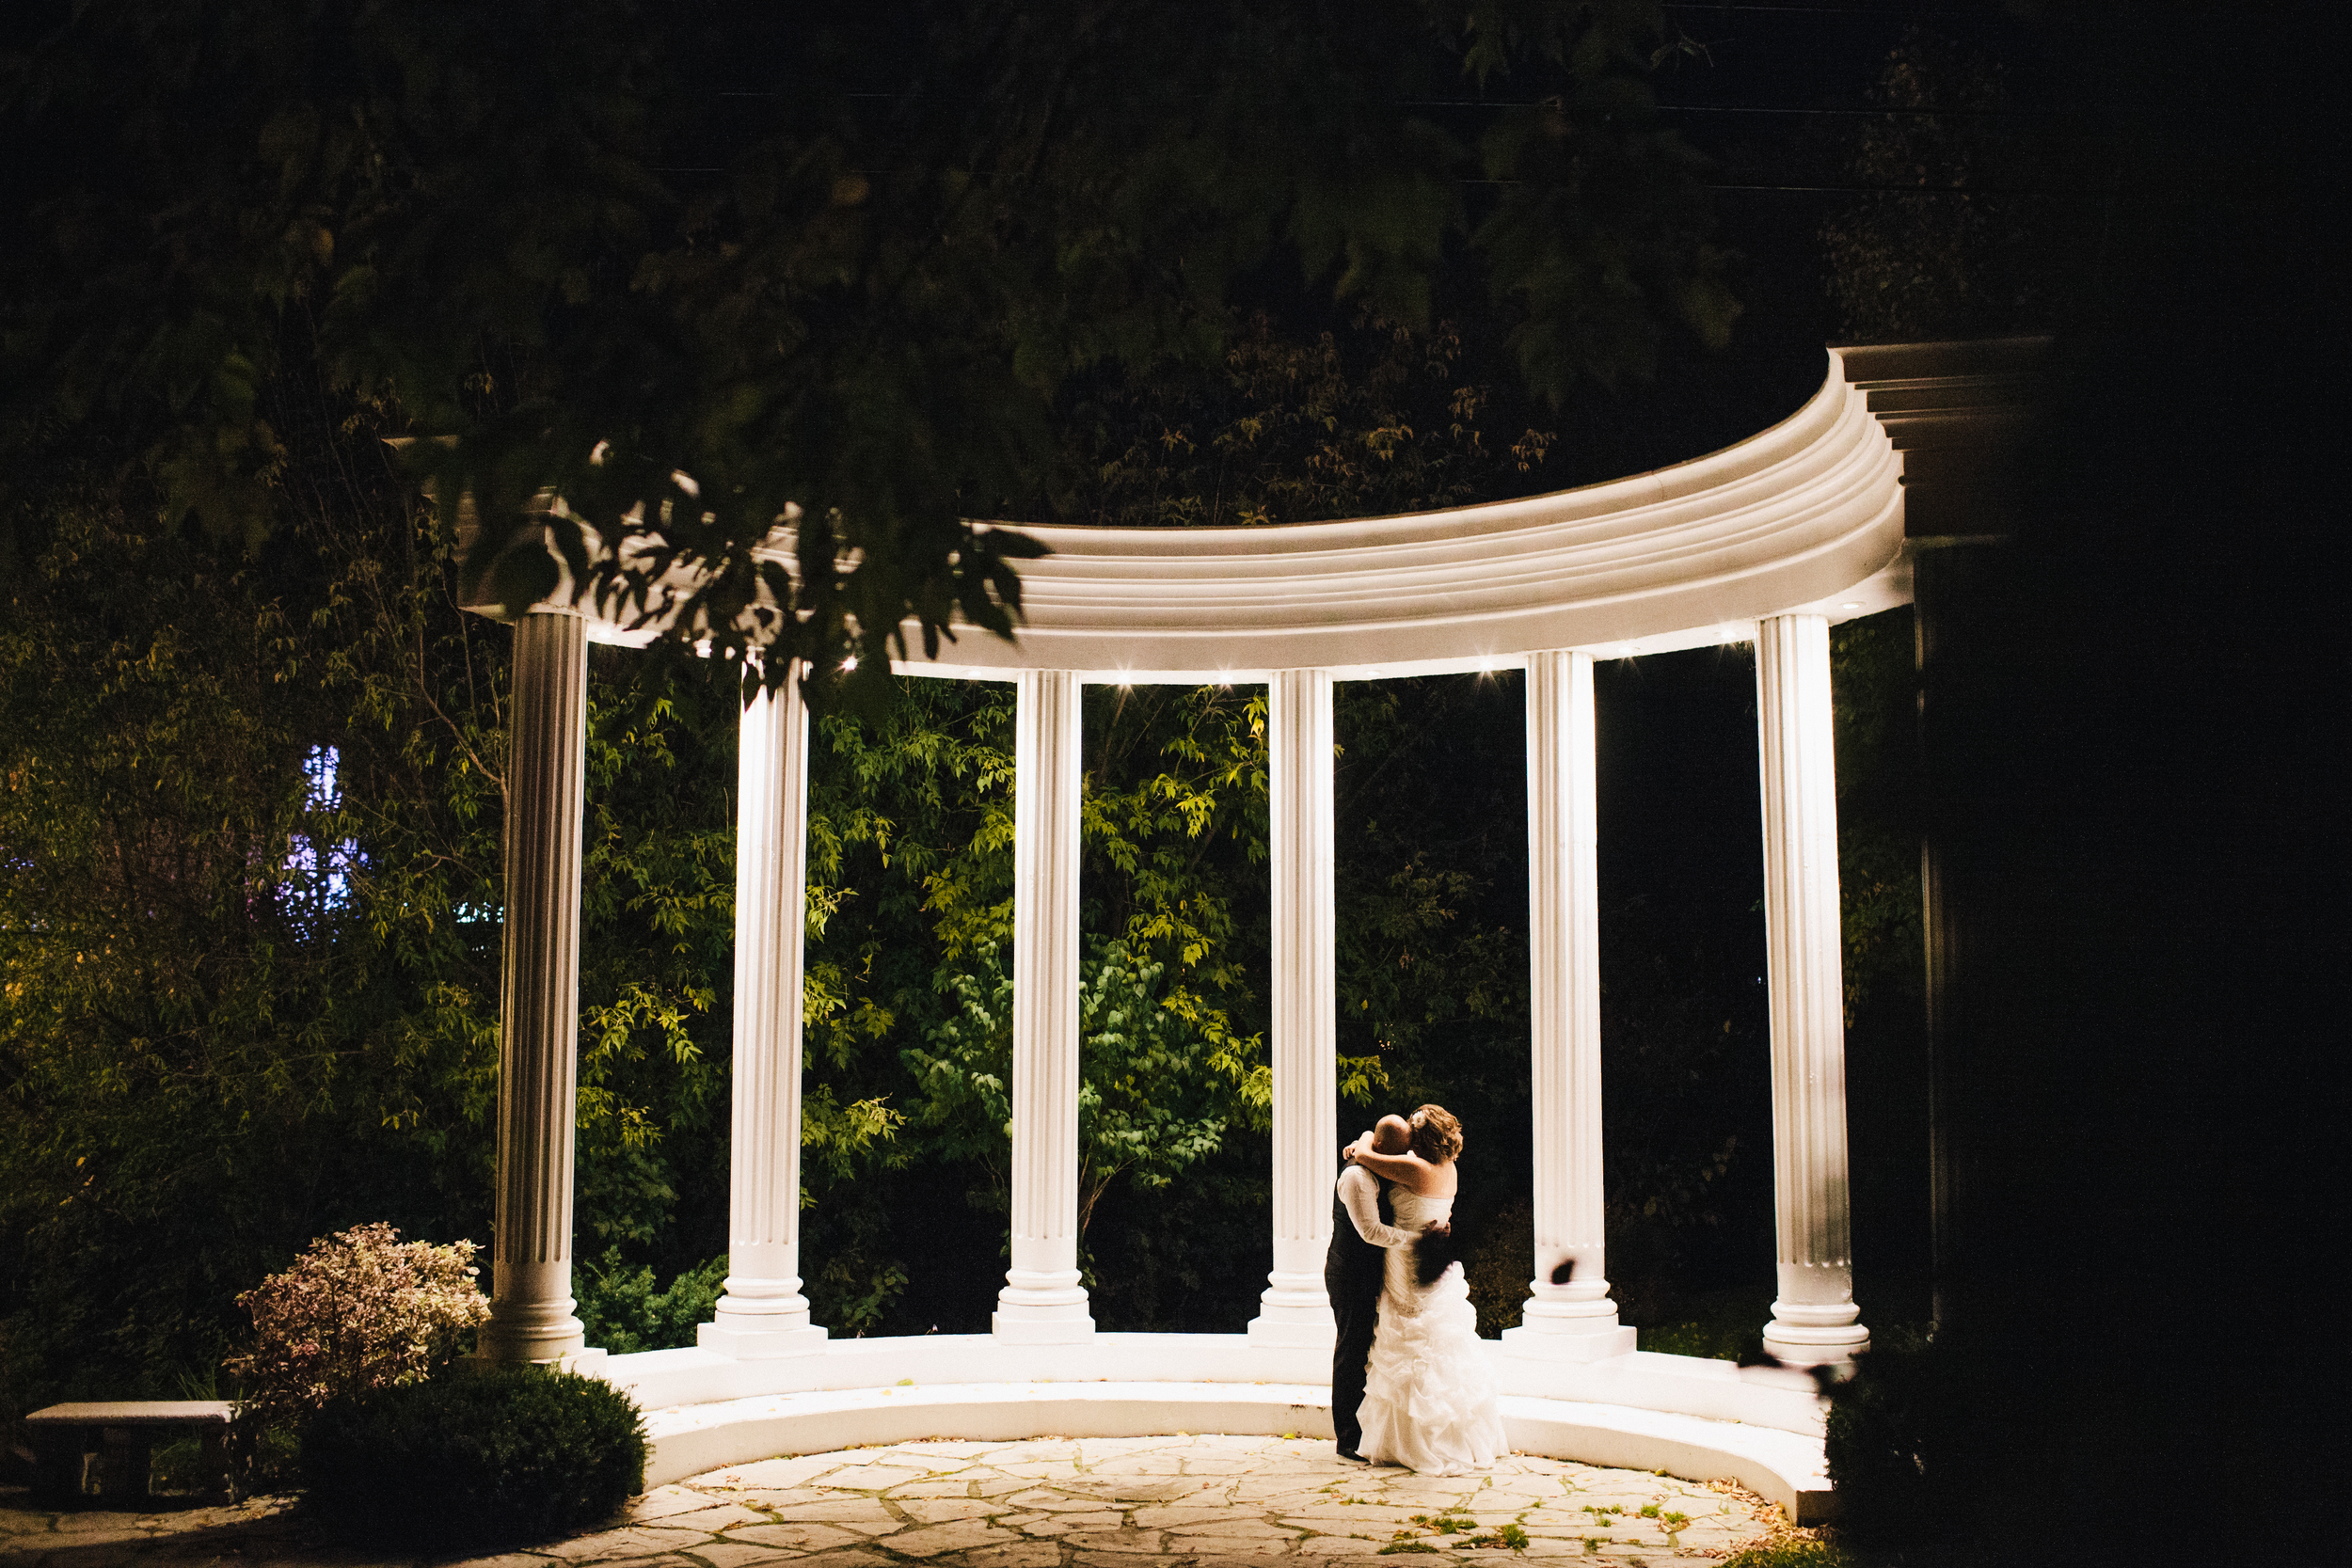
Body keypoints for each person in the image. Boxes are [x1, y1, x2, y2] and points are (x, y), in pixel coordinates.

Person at [1342, 1102, 1507, 1475]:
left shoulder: (1415, 1169)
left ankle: (1413, 1441)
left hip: (1408, 1258)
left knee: (1411, 1337)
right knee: (1442, 1340)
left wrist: (1363, 1140)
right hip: (1437, 1257)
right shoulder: (1449, 1170)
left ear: (1421, 1140)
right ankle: (1453, 1436)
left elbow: (1367, 1153)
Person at [1327, 1114, 1418, 1462]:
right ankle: (1346, 1437)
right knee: (1351, 1350)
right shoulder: (1356, 1177)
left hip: (1365, 1272)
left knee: (1364, 1347)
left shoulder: (1370, 1154)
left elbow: (1369, 1132)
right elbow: (1371, 1232)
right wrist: (1418, 1239)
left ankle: (1366, 1429)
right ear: (1378, 1151)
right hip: (1348, 1273)